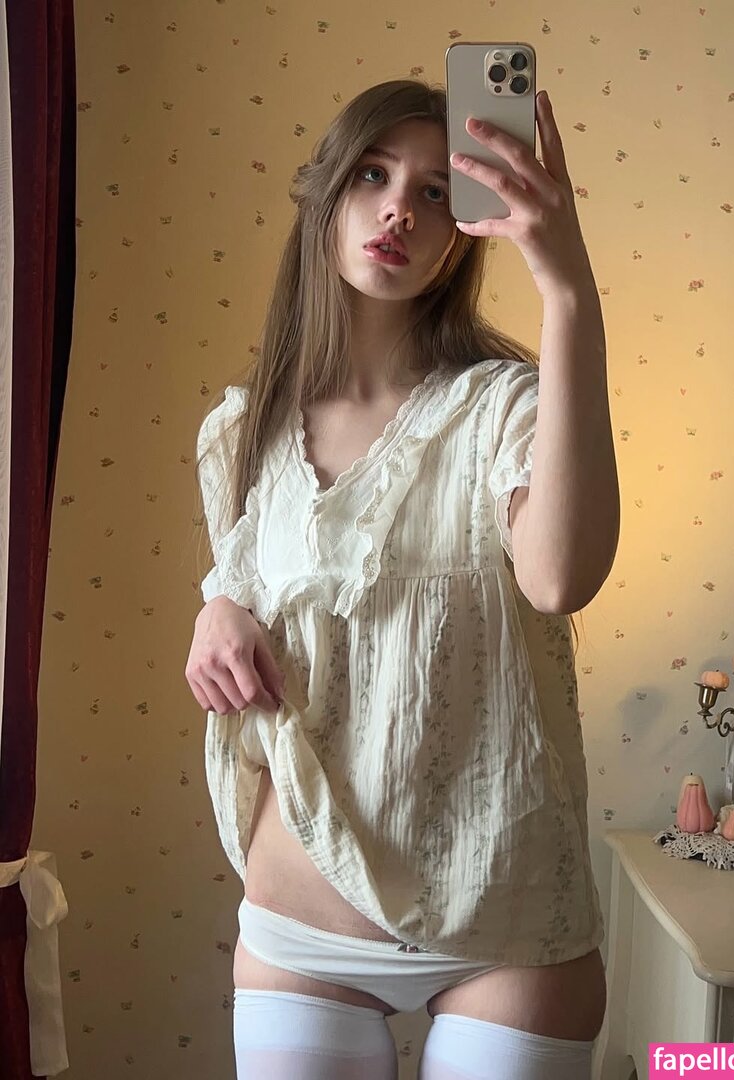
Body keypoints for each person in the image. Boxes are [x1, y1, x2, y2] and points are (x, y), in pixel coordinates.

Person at [186, 78, 619, 1080]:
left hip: (508, 927)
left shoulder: (502, 407)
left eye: (433, 192)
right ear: (325, 195)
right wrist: (217, 609)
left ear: (464, 234)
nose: (398, 211)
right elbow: (251, 580)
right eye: (373, 177)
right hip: (304, 928)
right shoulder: (241, 432)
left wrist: (566, 289)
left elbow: (559, 578)